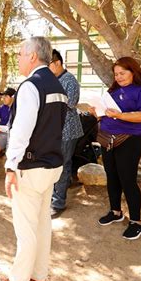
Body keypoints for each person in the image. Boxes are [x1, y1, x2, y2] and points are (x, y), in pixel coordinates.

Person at [0, 37, 67, 281]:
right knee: (42, 225)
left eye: (21, 54)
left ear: (33, 56)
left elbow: (21, 131)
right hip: (52, 166)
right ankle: (39, 277)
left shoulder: (30, 86)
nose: (19, 59)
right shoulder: (58, 85)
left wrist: (10, 167)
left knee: (26, 229)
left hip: (31, 167)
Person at [89, 57, 141, 240]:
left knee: (128, 180)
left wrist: (120, 115)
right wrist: (97, 113)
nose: (118, 77)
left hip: (130, 139)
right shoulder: (114, 90)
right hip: (107, 137)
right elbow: (106, 114)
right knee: (112, 177)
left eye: (122, 73)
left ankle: (136, 222)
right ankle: (116, 212)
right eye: (116, 74)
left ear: (133, 71)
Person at [48, 49, 84, 218]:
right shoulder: (53, 79)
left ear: (57, 63)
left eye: (49, 65)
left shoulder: (69, 80)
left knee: (63, 165)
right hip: (54, 130)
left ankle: (58, 202)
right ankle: (56, 195)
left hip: (67, 130)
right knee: (56, 165)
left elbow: (71, 103)